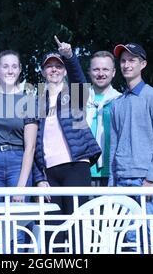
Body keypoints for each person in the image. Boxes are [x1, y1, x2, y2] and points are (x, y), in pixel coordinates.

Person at [33, 36, 102, 252]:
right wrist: (38, 178)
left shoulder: (74, 94)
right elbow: (31, 144)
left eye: (58, 66)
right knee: (51, 231)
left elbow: (80, 80)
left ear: (64, 71)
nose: (53, 70)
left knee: (77, 227)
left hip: (75, 167)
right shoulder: (35, 100)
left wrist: (70, 57)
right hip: (49, 173)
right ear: (43, 72)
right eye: (49, 67)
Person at [108, 42, 153, 252]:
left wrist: (151, 178)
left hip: (145, 180)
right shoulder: (117, 103)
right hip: (121, 181)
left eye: (132, 60)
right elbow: (114, 145)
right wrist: (112, 181)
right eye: (123, 61)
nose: (127, 65)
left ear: (142, 64)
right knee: (130, 241)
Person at [0, 50, 40, 252]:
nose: (10, 70)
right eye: (5, 66)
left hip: (17, 162)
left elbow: (30, 147)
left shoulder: (28, 101)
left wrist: (21, 186)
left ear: (20, 70)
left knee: (18, 230)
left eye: (14, 66)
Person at [86, 51, 121, 187]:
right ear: (89, 72)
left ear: (113, 72)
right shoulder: (78, 99)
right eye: (96, 69)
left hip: (112, 173)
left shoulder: (120, 100)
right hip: (82, 172)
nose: (101, 73)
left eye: (105, 69)